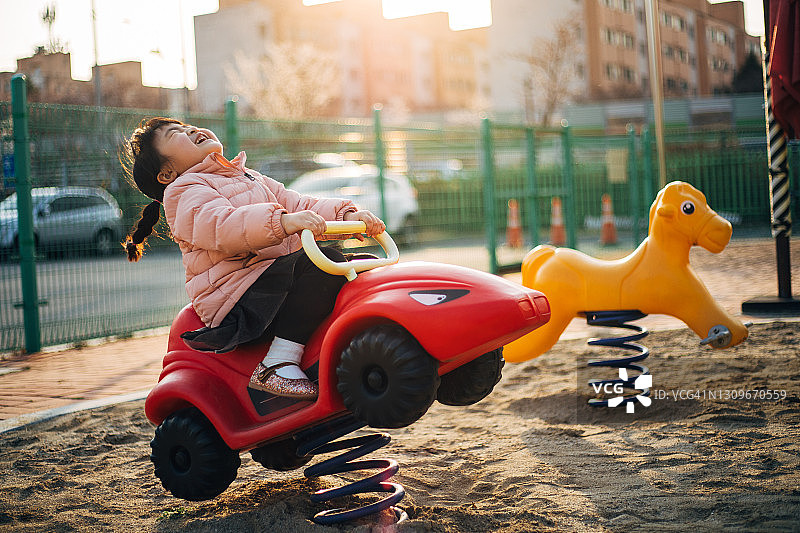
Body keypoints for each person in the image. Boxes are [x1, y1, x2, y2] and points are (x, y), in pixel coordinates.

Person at [122, 117, 384, 401]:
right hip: (239, 297)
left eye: (188, 127)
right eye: (177, 134)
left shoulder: (248, 176)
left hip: (272, 278)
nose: (192, 130)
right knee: (323, 263)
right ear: (166, 173)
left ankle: (362, 338)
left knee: (356, 264)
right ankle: (277, 365)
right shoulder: (184, 192)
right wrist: (282, 222)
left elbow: (298, 203)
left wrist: (346, 215)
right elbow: (221, 226)